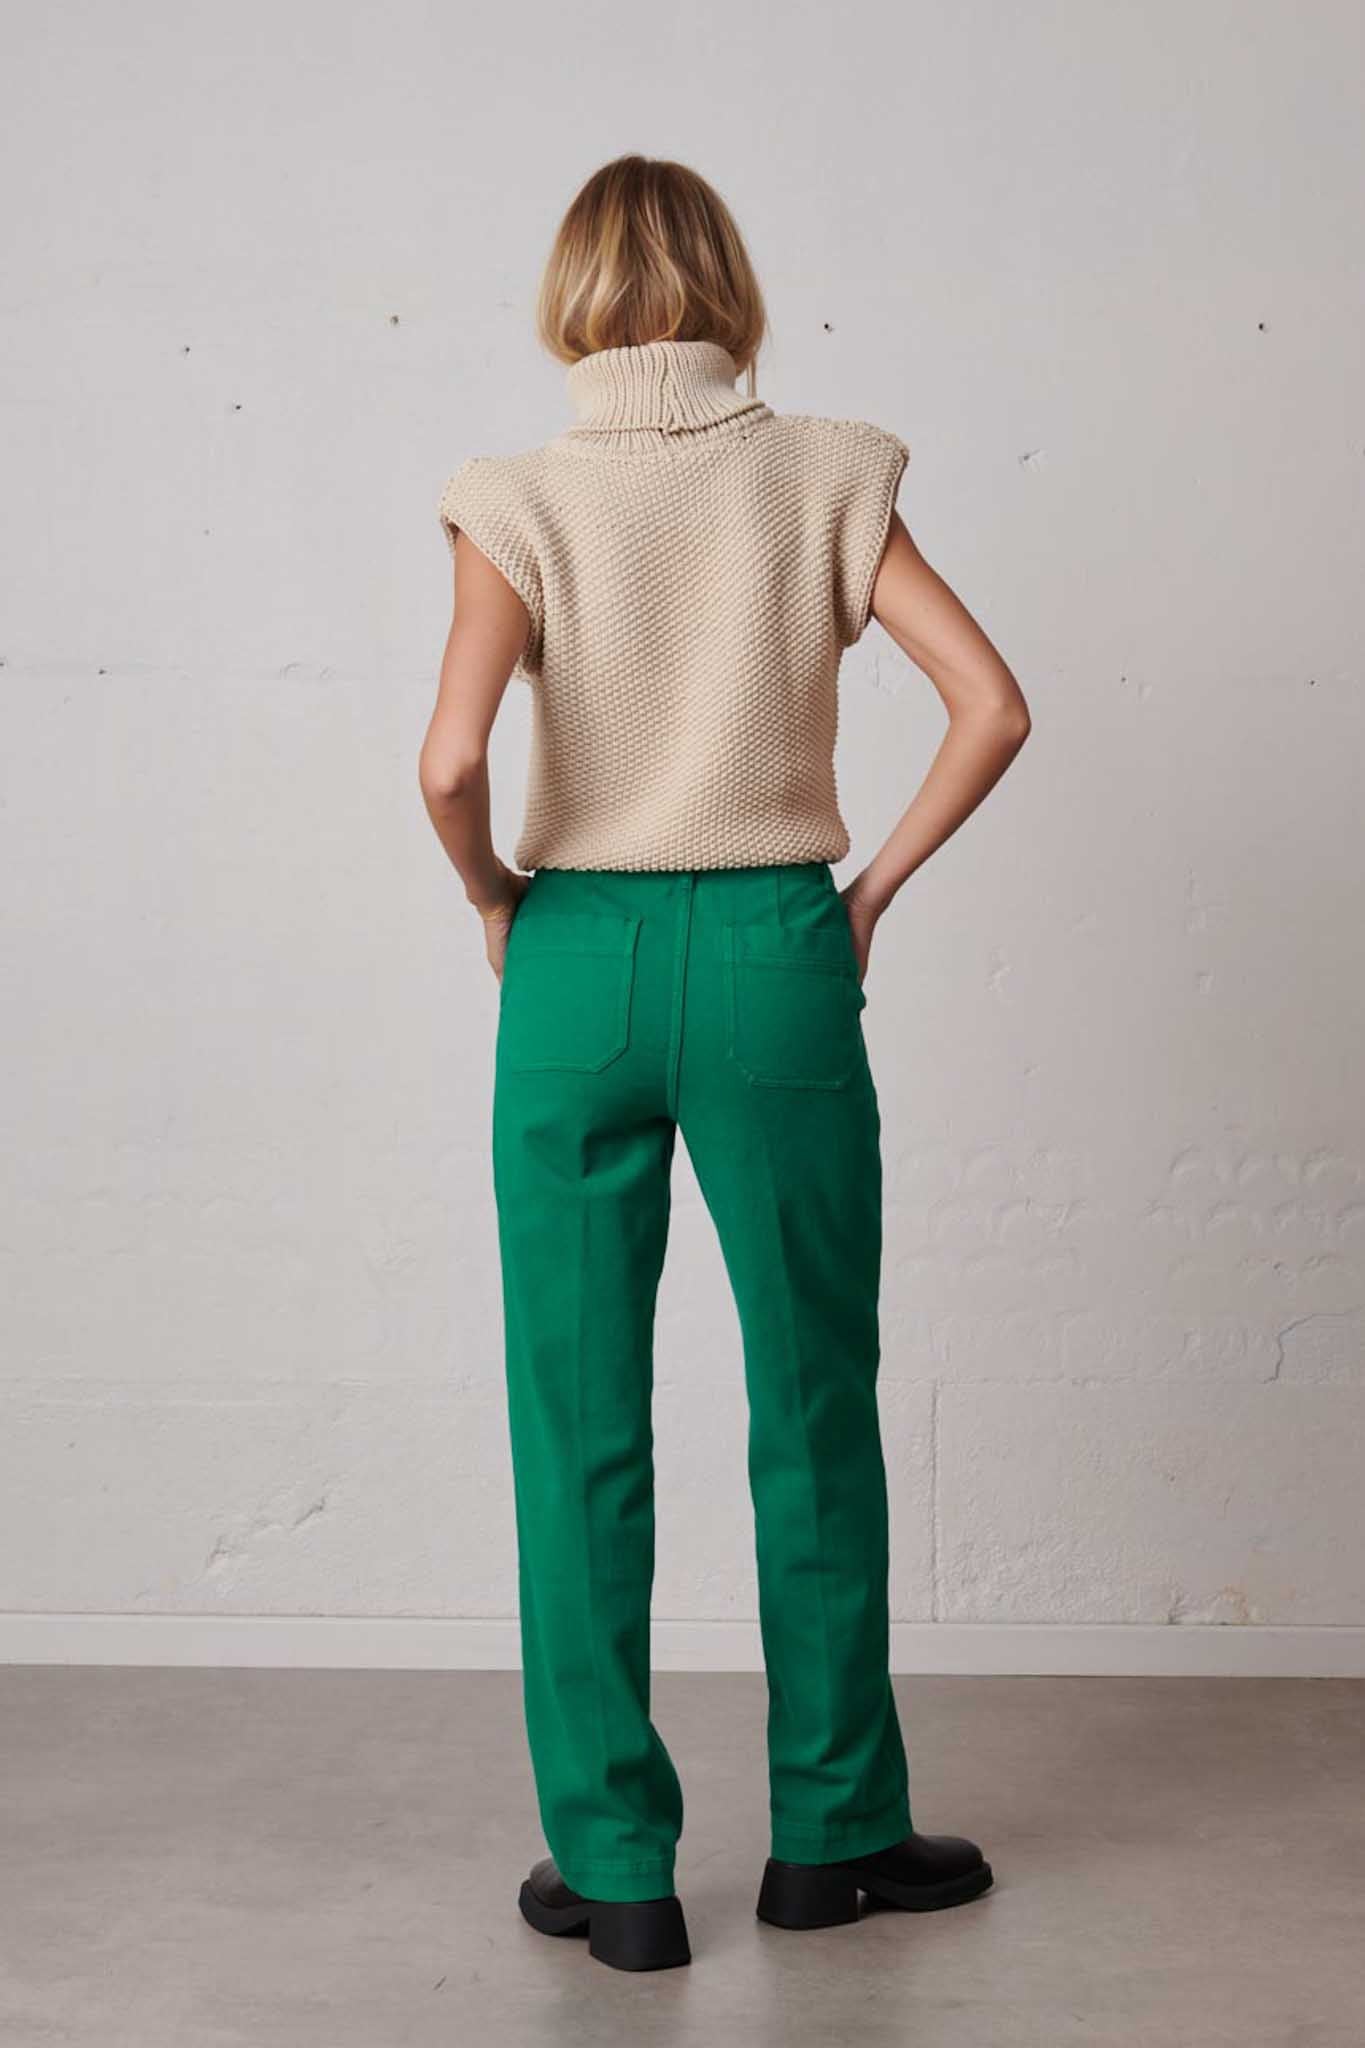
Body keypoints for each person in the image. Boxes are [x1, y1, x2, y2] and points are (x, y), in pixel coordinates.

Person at [419, 153, 1031, 1974]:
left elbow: (450, 760)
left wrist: (494, 901)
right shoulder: (828, 468)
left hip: (576, 966)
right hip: (776, 955)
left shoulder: (514, 497)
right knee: (813, 1394)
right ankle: (831, 1841)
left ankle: (615, 1872)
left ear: (571, 298)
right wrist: (867, 896)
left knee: (575, 1419)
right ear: (730, 287)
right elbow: (992, 703)